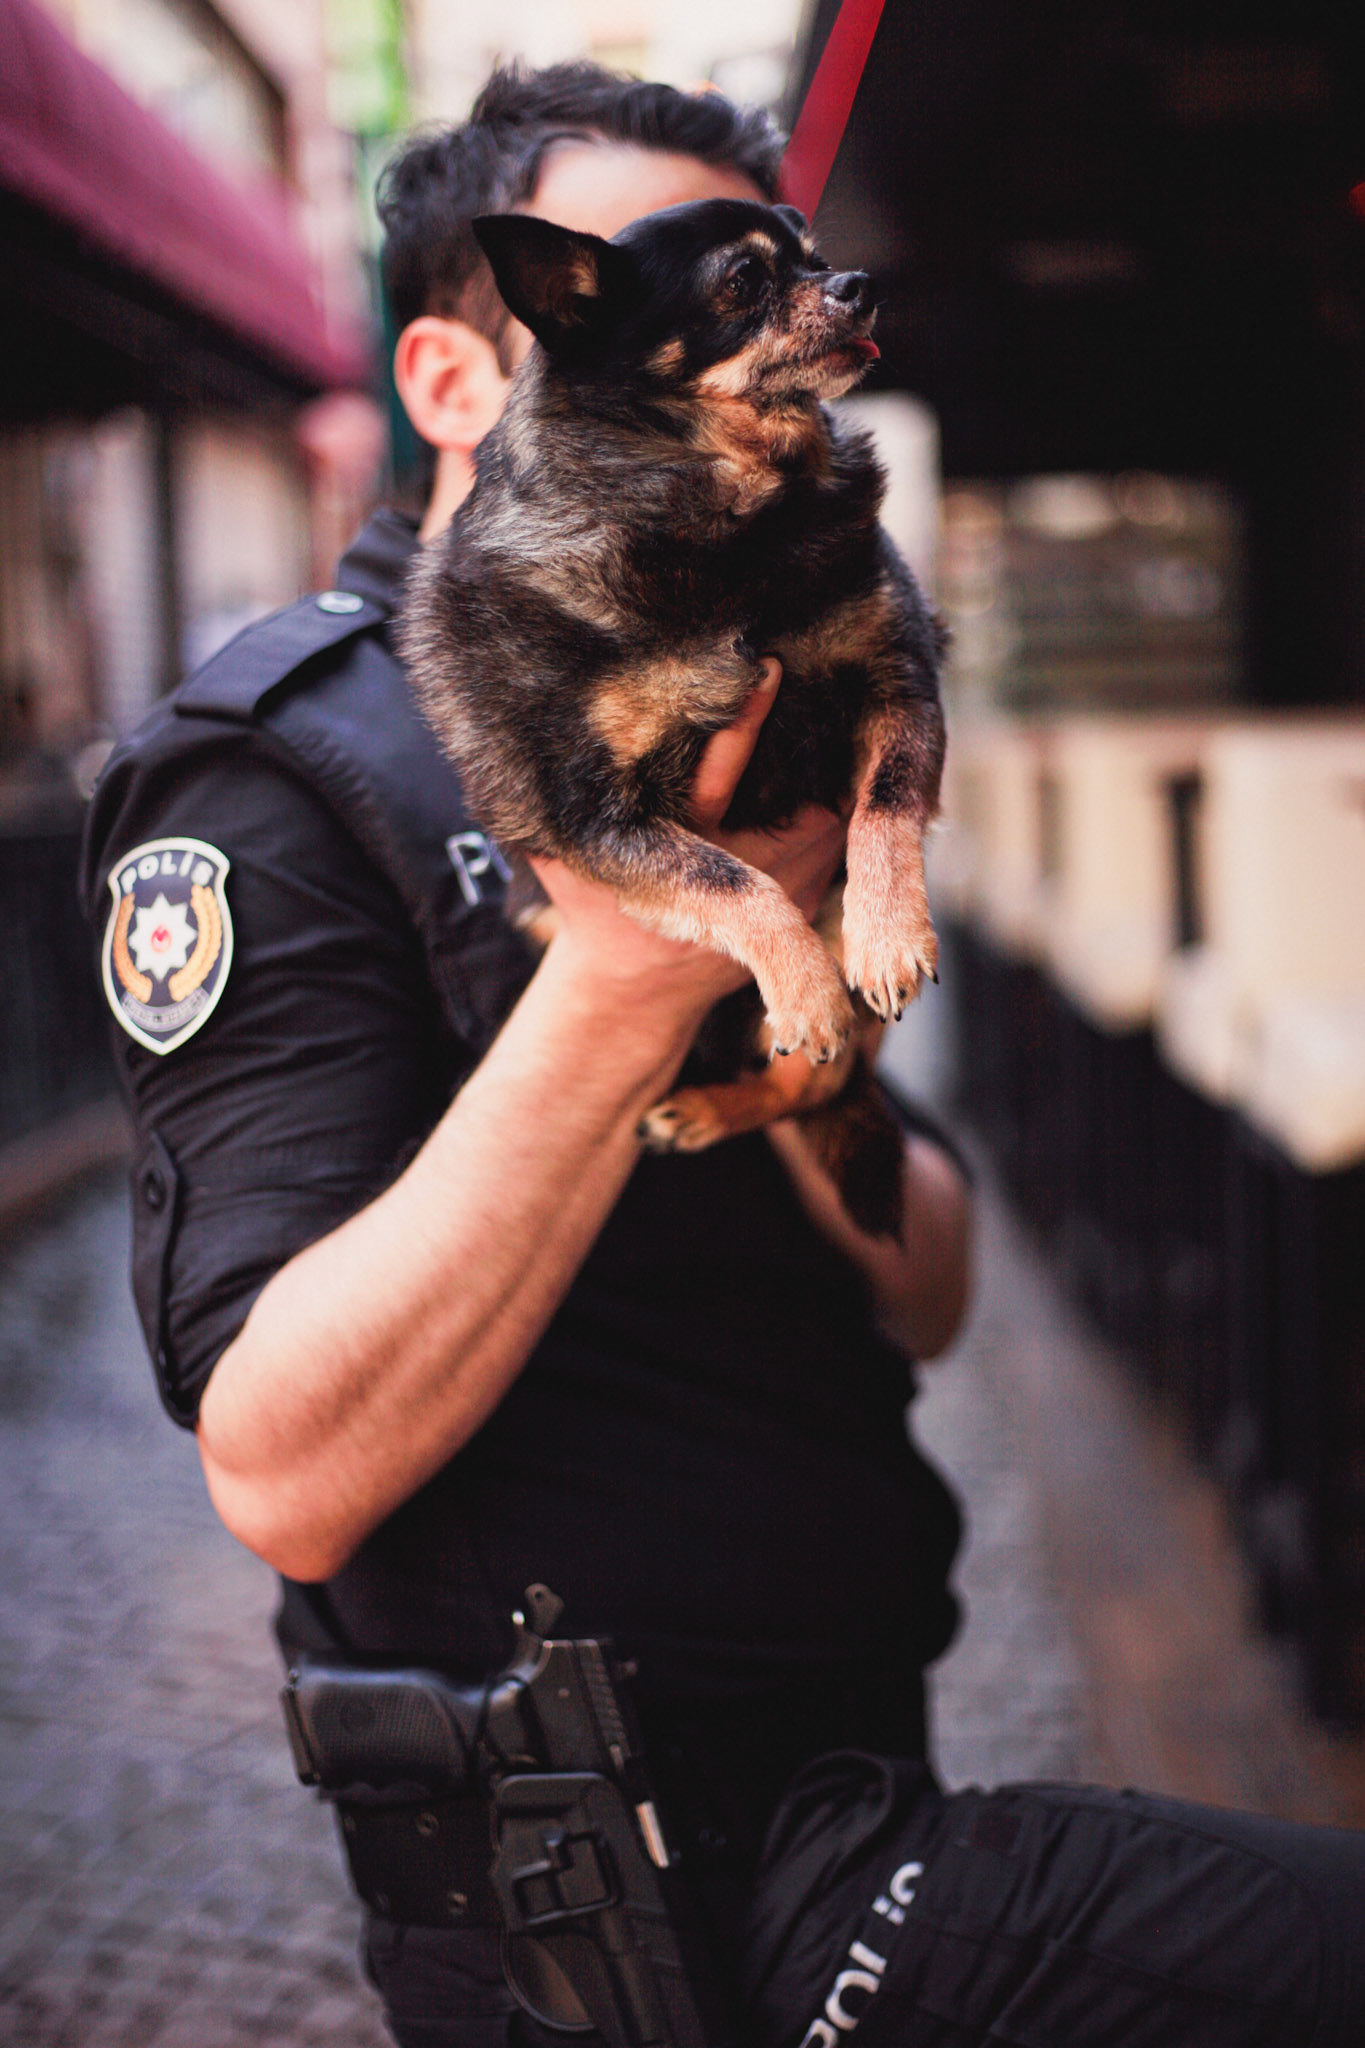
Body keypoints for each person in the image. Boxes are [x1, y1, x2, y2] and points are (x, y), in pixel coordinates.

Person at [81, 61, 1365, 2048]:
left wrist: (797, 1009)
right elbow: (282, 1468)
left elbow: (925, 1281)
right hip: (609, 1898)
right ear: (452, 381)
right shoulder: (282, 769)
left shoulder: (768, 687)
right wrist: (624, 976)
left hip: (866, 1766)